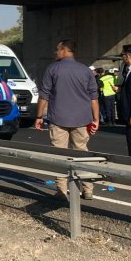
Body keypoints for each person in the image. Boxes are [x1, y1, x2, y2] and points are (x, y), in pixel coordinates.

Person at [35, 39, 99, 200]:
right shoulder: (85, 71)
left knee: (60, 155)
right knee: (82, 154)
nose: (55, 52)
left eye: (57, 49)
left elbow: (44, 95)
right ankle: (88, 189)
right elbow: (94, 97)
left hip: (58, 118)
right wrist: (96, 119)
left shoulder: (53, 69)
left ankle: (62, 190)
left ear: (64, 50)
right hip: (82, 119)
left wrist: (38, 116)